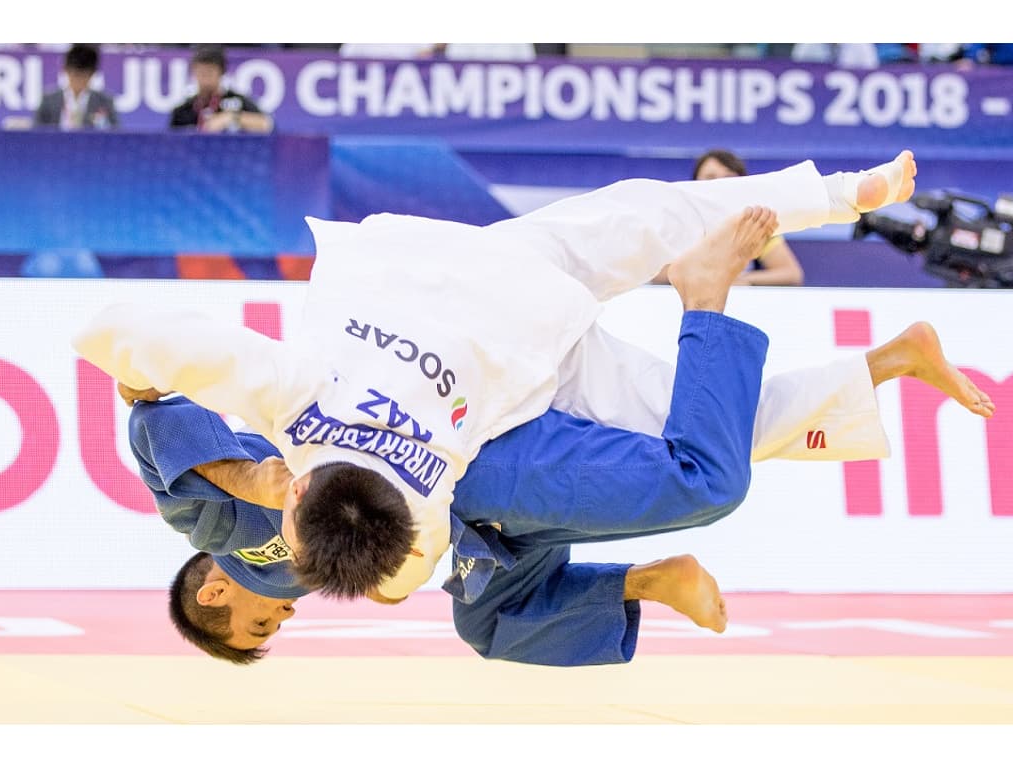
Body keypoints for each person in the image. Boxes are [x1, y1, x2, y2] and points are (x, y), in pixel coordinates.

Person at [75, 150, 950, 610]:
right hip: (475, 283)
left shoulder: (409, 534)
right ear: (300, 483)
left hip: (519, 344)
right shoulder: (296, 400)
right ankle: (842, 192)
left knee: (712, 431)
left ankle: (768, 271)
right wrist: (141, 382)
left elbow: (383, 581)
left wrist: (149, 381)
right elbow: (118, 331)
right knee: (647, 214)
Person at [650, 149, 805, 286]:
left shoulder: (754, 222)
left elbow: (791, 274)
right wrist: (708, 278)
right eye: (710, 177)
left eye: (728, 177)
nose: (719, 184)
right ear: (694, 183)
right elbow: (657, 274)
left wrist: (744, 279)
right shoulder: (680, 221)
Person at [169, 46, 273, 134]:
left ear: (221, 73)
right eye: (201, 73)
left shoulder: (237, 101)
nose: (205, 79)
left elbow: (266, 124)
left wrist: (231, 117)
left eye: (210, 73)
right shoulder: (183, 110)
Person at [34, 44, 119, 131]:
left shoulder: (104, 101)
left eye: (84, 76)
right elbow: (36, 131)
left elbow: (114, 134)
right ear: (66, 70)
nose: (79, 81)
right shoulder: (49, 100)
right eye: (75, 75)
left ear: (92, 74)